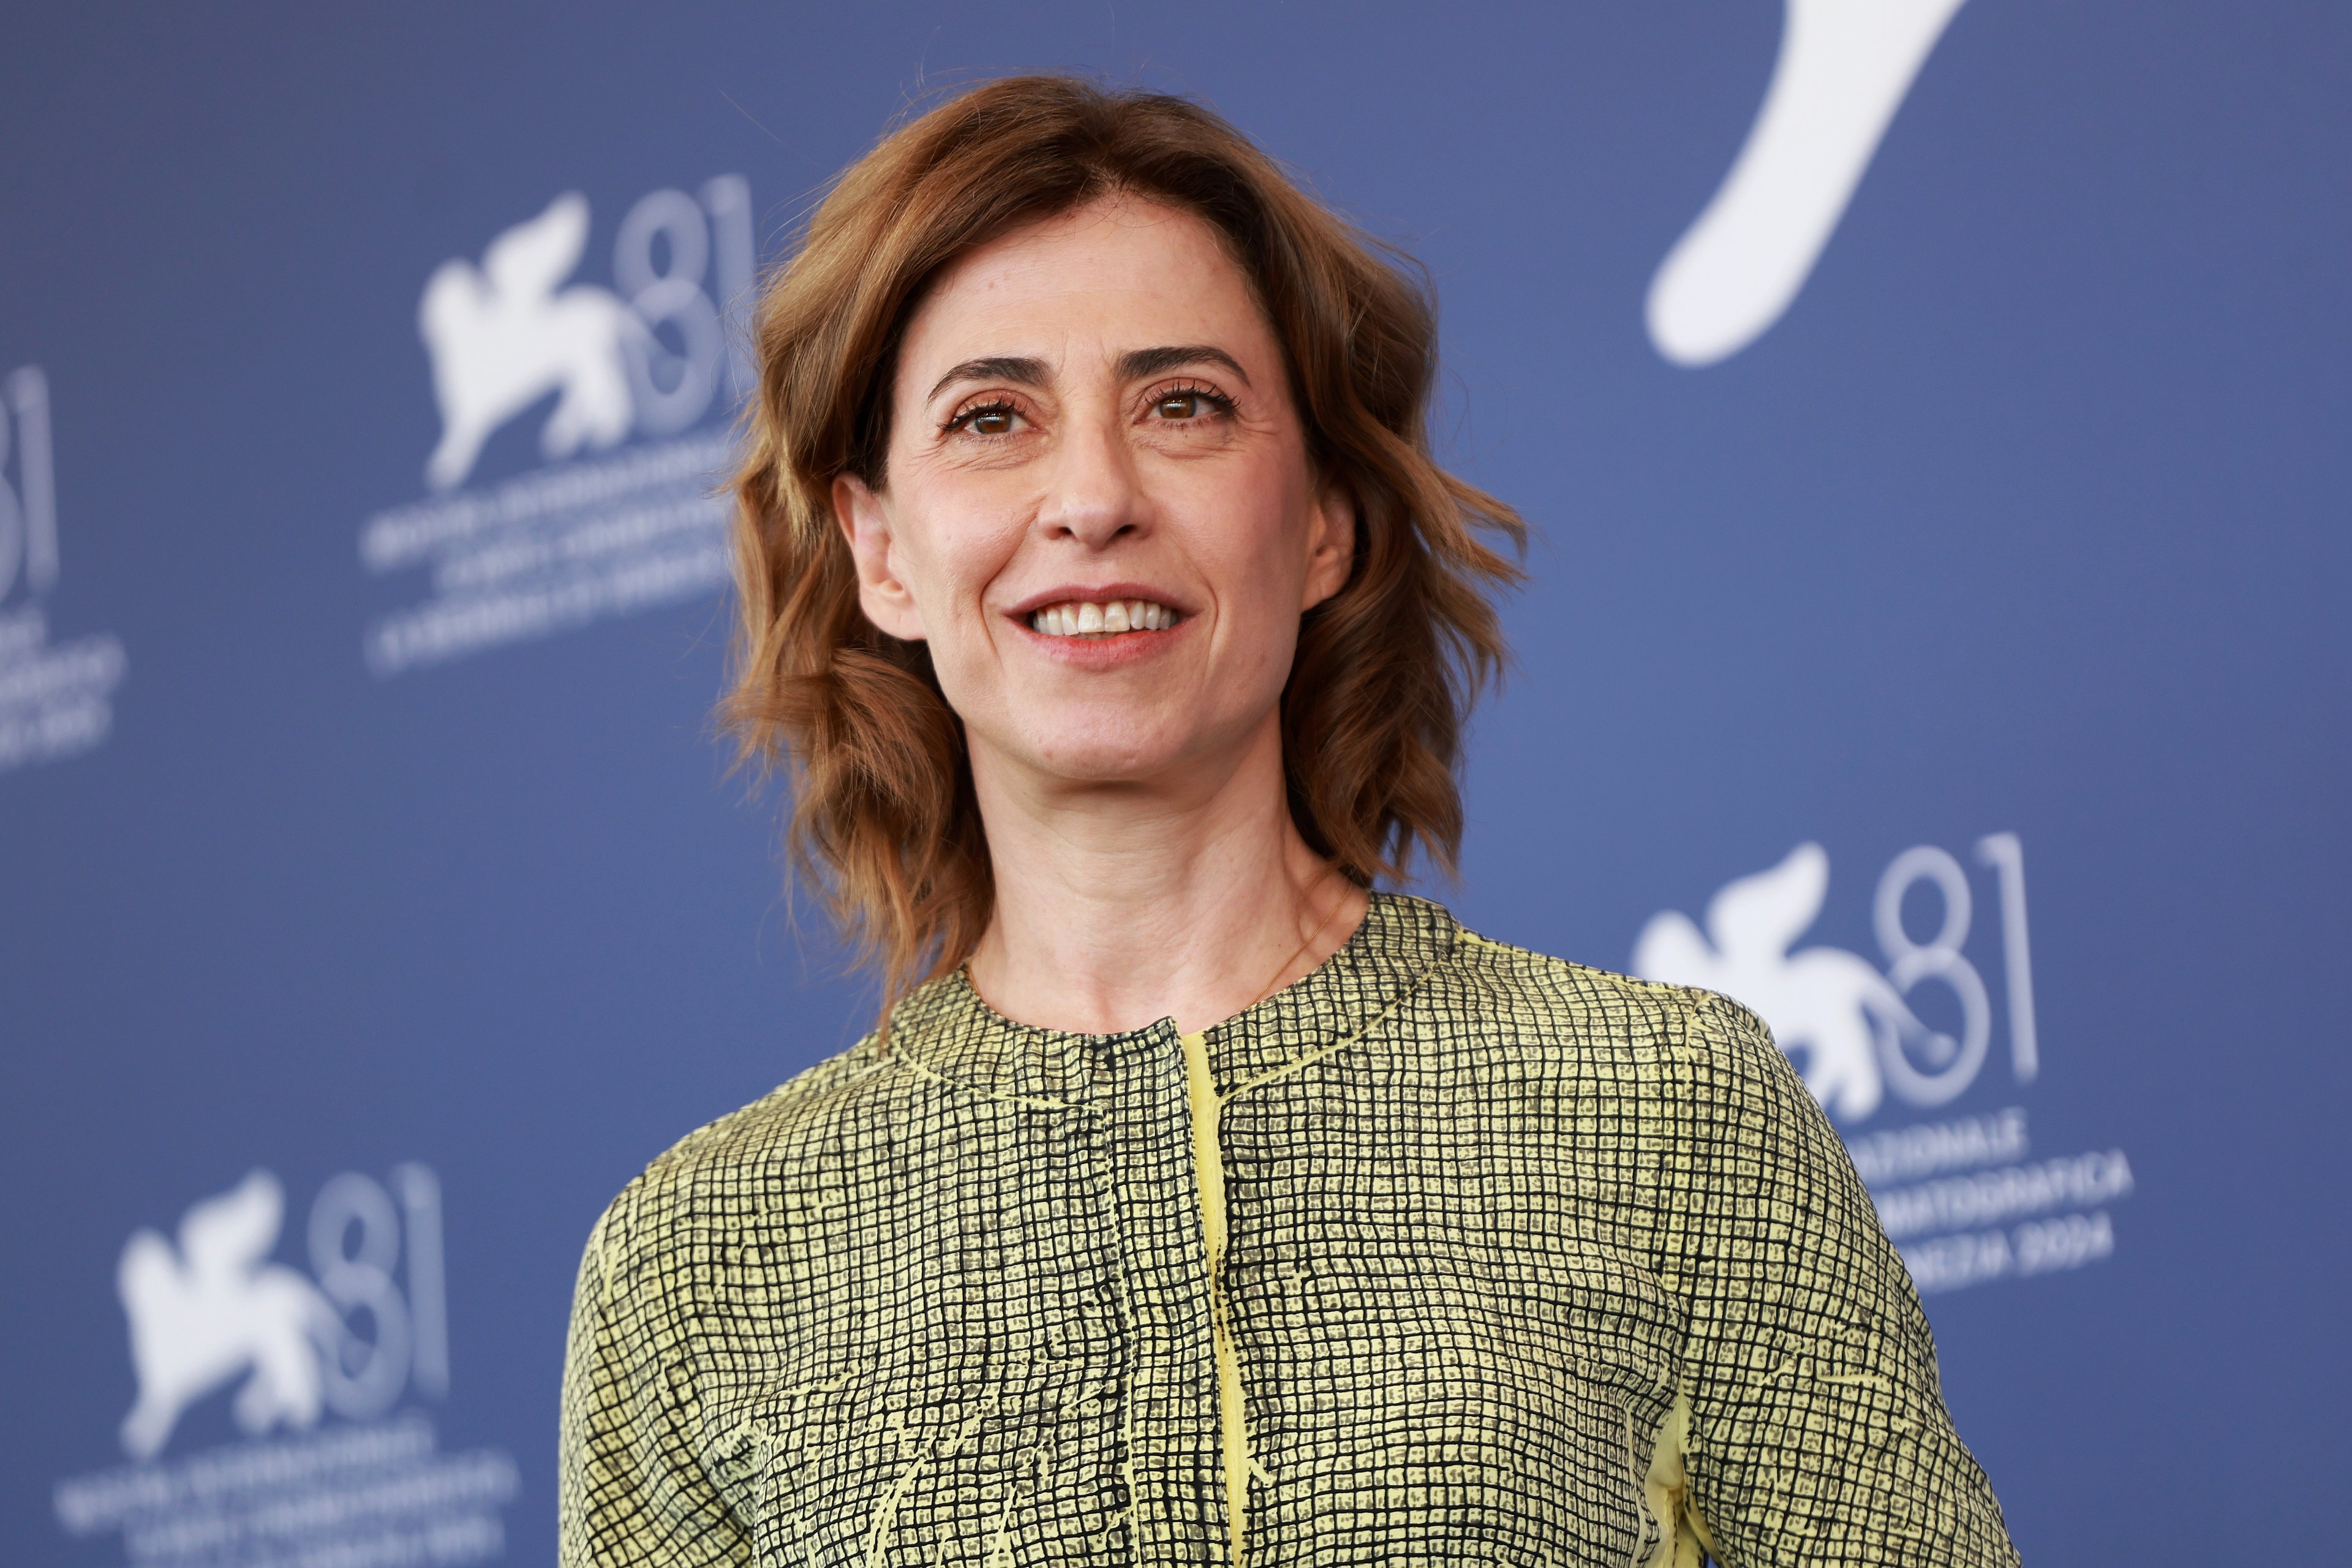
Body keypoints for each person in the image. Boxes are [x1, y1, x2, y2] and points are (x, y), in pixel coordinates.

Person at [559, 75, 2018, 1567]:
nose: (1092, 496)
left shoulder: (1664, 1108)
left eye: (1181, 404)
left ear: (1323, 514)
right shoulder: (699, 1263)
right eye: (992, 418)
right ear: (879, 547)